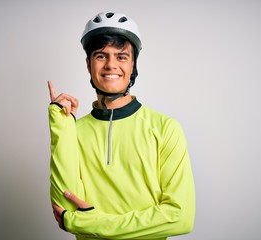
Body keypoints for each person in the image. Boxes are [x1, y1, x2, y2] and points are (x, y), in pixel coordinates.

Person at [47, 11, 196, 240]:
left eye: (121, 56)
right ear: (88, 64)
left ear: (133, 63)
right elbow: (64, 209)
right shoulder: (72, 131)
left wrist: (95, 223)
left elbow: (181, 217)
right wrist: (61, 125)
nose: (111, 65)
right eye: (101, 56)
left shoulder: (166, 128)